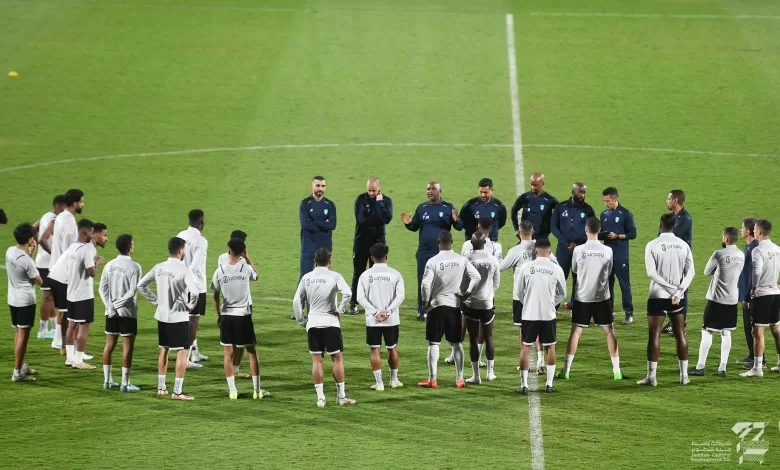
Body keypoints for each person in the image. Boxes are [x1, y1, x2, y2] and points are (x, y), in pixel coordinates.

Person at [558, 218, 622, 381]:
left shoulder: (578, 250)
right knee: (609, 332)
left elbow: (575, 270)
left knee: (576, 332)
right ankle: (616, 371)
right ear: (599, 230)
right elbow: (608, 272)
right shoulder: (608, 250)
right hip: (602, 296)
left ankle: (566, 370)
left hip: (582, 297)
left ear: (586, 230)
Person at [138, 237, 199, 400]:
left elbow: (141, 285)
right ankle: (177, 391)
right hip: (179, 316)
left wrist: (156, 301)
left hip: (162, 315)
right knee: (183, 350)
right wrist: (190, 306)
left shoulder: (159, 268)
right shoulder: (184, 270)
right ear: (180, 251)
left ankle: (161, 388)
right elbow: (195, 292)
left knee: (164, 349)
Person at [417, 231, 481, 389]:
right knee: (456, 344)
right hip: (454, 306)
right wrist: (466, 293)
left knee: (434, 343)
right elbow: (477, 276)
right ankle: (460, 378)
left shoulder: (433, 261)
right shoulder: (461, 259)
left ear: (438, 242)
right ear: (451, 242)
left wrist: (425, 302)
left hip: (436, 305)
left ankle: (432, 379)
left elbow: (425, 284)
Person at [293, 248, 354, 407]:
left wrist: (302, 321)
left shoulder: (307, 278)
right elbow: (347, 293)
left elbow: (296, 301)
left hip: (313, 324)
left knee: (317, 362)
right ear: (330, 261)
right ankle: (341, 397)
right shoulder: (335, 276)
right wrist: (340, 310)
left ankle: (320, 398)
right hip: (331, 323)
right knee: (337, 359)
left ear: (315, 261)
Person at [638, 213, 695, 386]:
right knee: (680, 333)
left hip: (657, 296)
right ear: (674, 226)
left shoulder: (652, 245)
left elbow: (651, 273)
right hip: (677, 297)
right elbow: (691, 272)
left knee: (655, 335)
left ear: (660, 225)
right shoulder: (683, 245)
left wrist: (670, 289)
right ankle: (684, 376)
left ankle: (652, 377)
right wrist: (679, 291)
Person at [212, 238, 269, 400]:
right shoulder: (245, 267)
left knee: (227, 354)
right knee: (251, 352)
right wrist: (248, 258)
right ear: (243, 252)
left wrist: (219, 316)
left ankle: (232, 391)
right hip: (243, 316)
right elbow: (256, 276)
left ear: (228, 251)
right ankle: (257, 391)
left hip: (227, 316)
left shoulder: (220, 271)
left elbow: (215, 297)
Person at [401, 182, 463, 321]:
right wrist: (408, 224)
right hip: (424, 252)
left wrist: (457, 220)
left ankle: (443, 308)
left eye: (433, 189)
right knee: (424, 282)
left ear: (440, 190)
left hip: (442, 253)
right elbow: (414, 227)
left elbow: (459, 227)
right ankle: (422, 310)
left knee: (444, 282)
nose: (430, 191)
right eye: (428, 189)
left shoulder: (448, 207)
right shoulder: (422, 208)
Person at [688, 227, 744, 377]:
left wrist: (719, 270)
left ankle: (700, 367)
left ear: (726, 239)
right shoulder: (742, 255)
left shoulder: (719, 254)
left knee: (707, 331)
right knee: (726, 332)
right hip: (732, 300)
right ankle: (722, 368)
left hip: (716, 300)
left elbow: (706, 272)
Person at [448, 215, 503, 367]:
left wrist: (464, 292)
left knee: (466, 324)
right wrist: (490, 293)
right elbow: (496, 277)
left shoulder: (468, 244)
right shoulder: (495, 247)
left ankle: (458, 355)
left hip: (469, 295)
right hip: (486, 295)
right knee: (484, 331)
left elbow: (462, 272)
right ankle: (471, 359)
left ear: (478, 226)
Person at [516, 238, 567, 395]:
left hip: (529, 314)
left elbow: (519, 293)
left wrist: (528, 303)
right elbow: (562, 293)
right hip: (548, 314)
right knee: (550, 347)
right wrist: (551, 302)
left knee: (526, 348)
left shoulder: (526, 267)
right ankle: (549, 384)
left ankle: (524, 385)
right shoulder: (556, 269)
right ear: (550, 252)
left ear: (536, 252)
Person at [356, 243, 405, 391]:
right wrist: (388, 311)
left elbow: (360, 298)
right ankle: (394, 380)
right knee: (392, 348)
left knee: (374, 350)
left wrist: (376, 312)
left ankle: (379, 383)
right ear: (386, 257)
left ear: (371, 258)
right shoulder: (395, 274)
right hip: (391, 319)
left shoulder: (365, 275)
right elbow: (400, 296)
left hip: (373, 320)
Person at [500, 220, 546, 374]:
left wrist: (498, 255)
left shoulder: (515, 251)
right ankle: (541, 361)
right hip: (538, 294)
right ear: (533, 230)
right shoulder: (540, 247)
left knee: (523, 329)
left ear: (518, 232)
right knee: (539, 328)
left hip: (520, 296)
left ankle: (524, 362)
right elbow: (554, 264)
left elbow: (500, 267)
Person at [99, 234, 142, 391]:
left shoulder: (109, 265)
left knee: (109, 345)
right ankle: (125, 383)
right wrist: (118, 305)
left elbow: (102, 288)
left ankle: (107, 380)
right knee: (127, 348)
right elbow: (132, 292)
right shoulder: (135, 267)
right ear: (130, 248)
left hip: (110, 312)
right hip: (127, 312)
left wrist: (110, 306)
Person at [741, 220, 780, 378]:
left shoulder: (757, 250)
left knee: (757, 331)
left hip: (762, 294)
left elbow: (756, 271)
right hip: (776, 294)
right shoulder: (777, 249)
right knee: (776, 329)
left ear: (759, 232)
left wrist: (754, 287)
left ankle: (757, 368)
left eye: (755, 229)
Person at [349, 177, 393, 315]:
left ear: (379, 187)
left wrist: (379, 205)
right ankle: (354, 303)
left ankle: (376, 303)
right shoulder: (360, 200)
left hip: (378, 244)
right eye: (369, 190)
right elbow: (361, 221)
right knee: (358, 273)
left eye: (374, 190)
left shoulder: (386, 201)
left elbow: (387, 219)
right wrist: (377, 218)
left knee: (378, 274)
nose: (371, 193)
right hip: (361, 241)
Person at [64, 220, 103, 370]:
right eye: (91, 232)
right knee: (84, 327)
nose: (93, 235)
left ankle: (69, 358)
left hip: (71, 292)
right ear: (85, 232)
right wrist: (97, 262)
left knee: (71, 325)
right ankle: (79, 361)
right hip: (83, 295)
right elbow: (91, 272)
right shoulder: (85, 250)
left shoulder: (72, 248)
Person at [6, 223, 43, 382]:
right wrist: (31, 256)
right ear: (30, 238)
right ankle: (17, 372)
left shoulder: (9, 251)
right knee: (23, 337)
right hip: (25, 302)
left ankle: (20, 365)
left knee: (18, 333)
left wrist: (31, 253)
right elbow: (39, 281)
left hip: (13, 299)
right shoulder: (27, 261)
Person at [49, 189, 84, 351]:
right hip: (64, 273)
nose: (83, 204)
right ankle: (67, 347)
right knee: (70, 312)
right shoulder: (69, 224)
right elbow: (69, 252)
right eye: (82, 201)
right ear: (75, 203)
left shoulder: (61, 216)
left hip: (55, 270)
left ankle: (60, 342)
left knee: (63, 310)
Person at [551, 182, 596, 308]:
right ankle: (554, 306)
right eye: (579, 192)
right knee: (560, 278)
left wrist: (578, 244)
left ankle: (575, 307)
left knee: (578, 280)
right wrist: (564, 241)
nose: (582, 195)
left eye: (584, 192)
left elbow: (593, 229)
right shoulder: (561, 207)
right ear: (573, 191)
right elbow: (553, 226)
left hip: (580, 250)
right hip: (563, 249)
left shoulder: (588, 209)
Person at [462, 235, 500, 384]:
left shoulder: (467, 259)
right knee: (488, 337)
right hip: (487, 303)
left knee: (472, 339)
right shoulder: (492, 259)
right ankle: (490, 373)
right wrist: (489, 295)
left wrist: (466, 297)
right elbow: (496, 283)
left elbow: (463, 282)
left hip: (472, 304)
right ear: (485, 242)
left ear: (471, 243)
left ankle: (476, 376)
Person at [177, 209, 209, 367]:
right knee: (193, 320)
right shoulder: (201, 241)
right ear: (202, 222)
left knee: (186, 318)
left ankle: (194, 353)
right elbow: (195, 266)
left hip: (180, 283)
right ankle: (186, 358)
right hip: (195, 285)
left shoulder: (180, 235)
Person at [217, 230, 251, 377]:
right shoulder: (243, 263)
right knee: (241, 344)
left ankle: (231, 375)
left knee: (228, 346)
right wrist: (247, 258)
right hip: (243, 306)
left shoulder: (221, 259)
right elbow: (255, 276)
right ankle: (234, 370)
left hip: (226, 307)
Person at [600, 187, 636, 325]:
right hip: (607, 256)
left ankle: (629, 312)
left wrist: (618, 236)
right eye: (604, 201)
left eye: (608, 201)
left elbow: (633, 234)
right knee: (608, 285)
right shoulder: (604, 214)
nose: (606, 204)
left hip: (620, 255)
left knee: (624, 285)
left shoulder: (625, 214)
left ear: (615, 199)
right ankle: (610, 312)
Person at [299, 177, 337, 306]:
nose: (320, 188)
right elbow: (305, 225)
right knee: (304, 278)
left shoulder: (330, 205)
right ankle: (299, 308)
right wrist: (323, 224)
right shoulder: (305, 204)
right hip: (308, 246)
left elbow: (332, 225)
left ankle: (323, 306)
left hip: (325, 248)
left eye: (323, 186)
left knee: (325, 279)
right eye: (318, 185)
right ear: (312, 186)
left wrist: (313, 222)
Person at [33, 194, 67, 339]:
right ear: (58, 207)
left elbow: (32, 229)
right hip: (47, 263)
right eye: (65, 208)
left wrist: (35, 243)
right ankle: (42, 329)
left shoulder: (45, 216)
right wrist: (55, 255)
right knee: (47, 297)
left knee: (51, 296)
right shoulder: (54, 219)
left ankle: (53, 327)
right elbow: (42, 240)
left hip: (44, 260)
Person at [662, 189, 693, 334]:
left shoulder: (685, 218)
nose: (666, 201)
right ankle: (673, 322)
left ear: (675, 201)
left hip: (681, 259)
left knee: (681, 291)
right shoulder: (670, 217)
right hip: (670, 258)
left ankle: (681, 325)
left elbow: (672, 235)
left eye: (668, 199)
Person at [736, 218, 760, 369]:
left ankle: (760, 359)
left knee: (753, 327)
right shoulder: (749, 247)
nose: (740, 230)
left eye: (742, 227)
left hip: (751, 295)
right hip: (746, 292)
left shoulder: (753, 248)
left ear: (749, 231)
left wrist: (748, 296)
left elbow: (754, 274)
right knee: (747, 325)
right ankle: (752, 355)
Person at [511, 172, 558, 240]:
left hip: (542, 239)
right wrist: (516, 228)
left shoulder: (549, 199)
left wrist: (552, 226)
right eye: (531, 184)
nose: (533, 187)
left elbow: (560, 211)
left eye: (535, 185)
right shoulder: (525, 197)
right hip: (526, 238)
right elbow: (513, 211)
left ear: (542, 184)